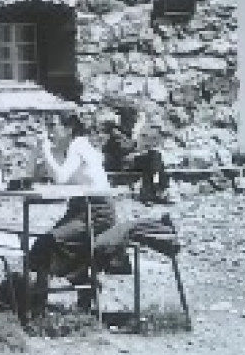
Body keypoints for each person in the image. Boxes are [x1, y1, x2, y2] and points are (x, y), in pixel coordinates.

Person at [29, 112, 121, 311]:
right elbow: (32, 177)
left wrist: (45, 150)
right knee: (45, 244)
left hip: (97, 211)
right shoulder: (67, 148)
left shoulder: (79, 145)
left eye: (53, 126)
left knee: (48, 243)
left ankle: (41, 302)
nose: (50, 132)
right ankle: (45, 299)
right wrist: (37, 152)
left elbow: (60, 178)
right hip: (80, 209)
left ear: (68, 129)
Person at [102, 101, 171, 204]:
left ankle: (155, 189)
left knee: (154, 160)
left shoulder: (125, 132)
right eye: (132, 120)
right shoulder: (116, 132)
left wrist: (138, 149)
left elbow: (133, 149)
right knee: (153, 157)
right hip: (119, 164)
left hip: (127, 162)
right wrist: (137, 148)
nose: (134, 123)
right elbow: (126, 149)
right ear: (125, 120)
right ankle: (156, 190)